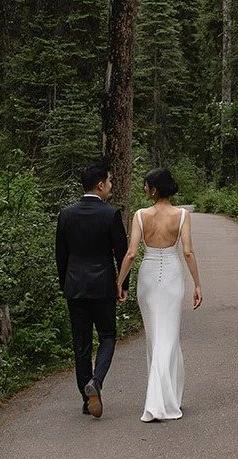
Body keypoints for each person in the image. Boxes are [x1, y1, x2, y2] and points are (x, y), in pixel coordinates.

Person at [116, 167, 203, 422]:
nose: (144, 189)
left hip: (149, 275)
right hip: (173, 275)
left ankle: (161, 398)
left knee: (155, 336)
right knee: (169, 335)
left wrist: (119, 281)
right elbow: (188, 251)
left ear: (154, 189)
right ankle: (167, 399)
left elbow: (131, 253)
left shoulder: (141, 215)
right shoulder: (182, 215)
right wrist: (198, 284)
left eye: (146, 185)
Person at [55, 162, 129, 419]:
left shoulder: (66, 214)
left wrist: (65, 283)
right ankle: (96, 382)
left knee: (81, 344)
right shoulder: (110, 214)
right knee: (107, 336)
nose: (110, 186)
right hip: (102, 286)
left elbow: (60, 255)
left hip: (74, 286)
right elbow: (122, 253)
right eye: (109, 182)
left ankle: (87, 400)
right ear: (100, 185)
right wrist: (123, 285)